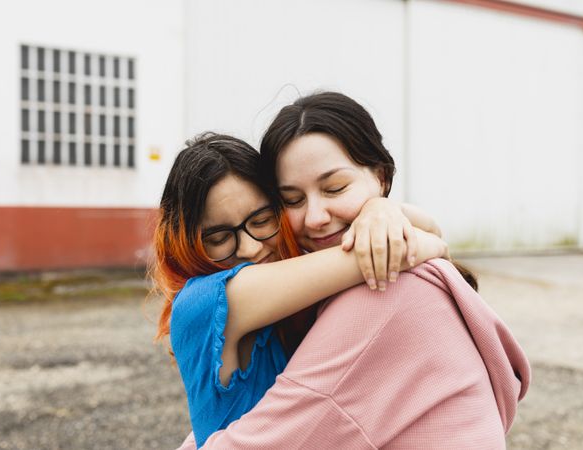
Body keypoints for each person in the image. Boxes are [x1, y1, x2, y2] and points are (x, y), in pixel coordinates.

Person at [179, 92, 531, 449]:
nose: (315, 218)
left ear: (381, 177)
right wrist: (414, 233)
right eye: (293, 200)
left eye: (335, 188)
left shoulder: (380, 292)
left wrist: (392, 218)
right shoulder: (234, 300)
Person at [153, 133, 448, 447]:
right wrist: (382, 215)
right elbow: (411, 245)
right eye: (219, 238)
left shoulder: (293, 295)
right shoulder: (203, 302)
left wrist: (379, 210)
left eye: (262, 219)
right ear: (185, 241)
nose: (251, 248)